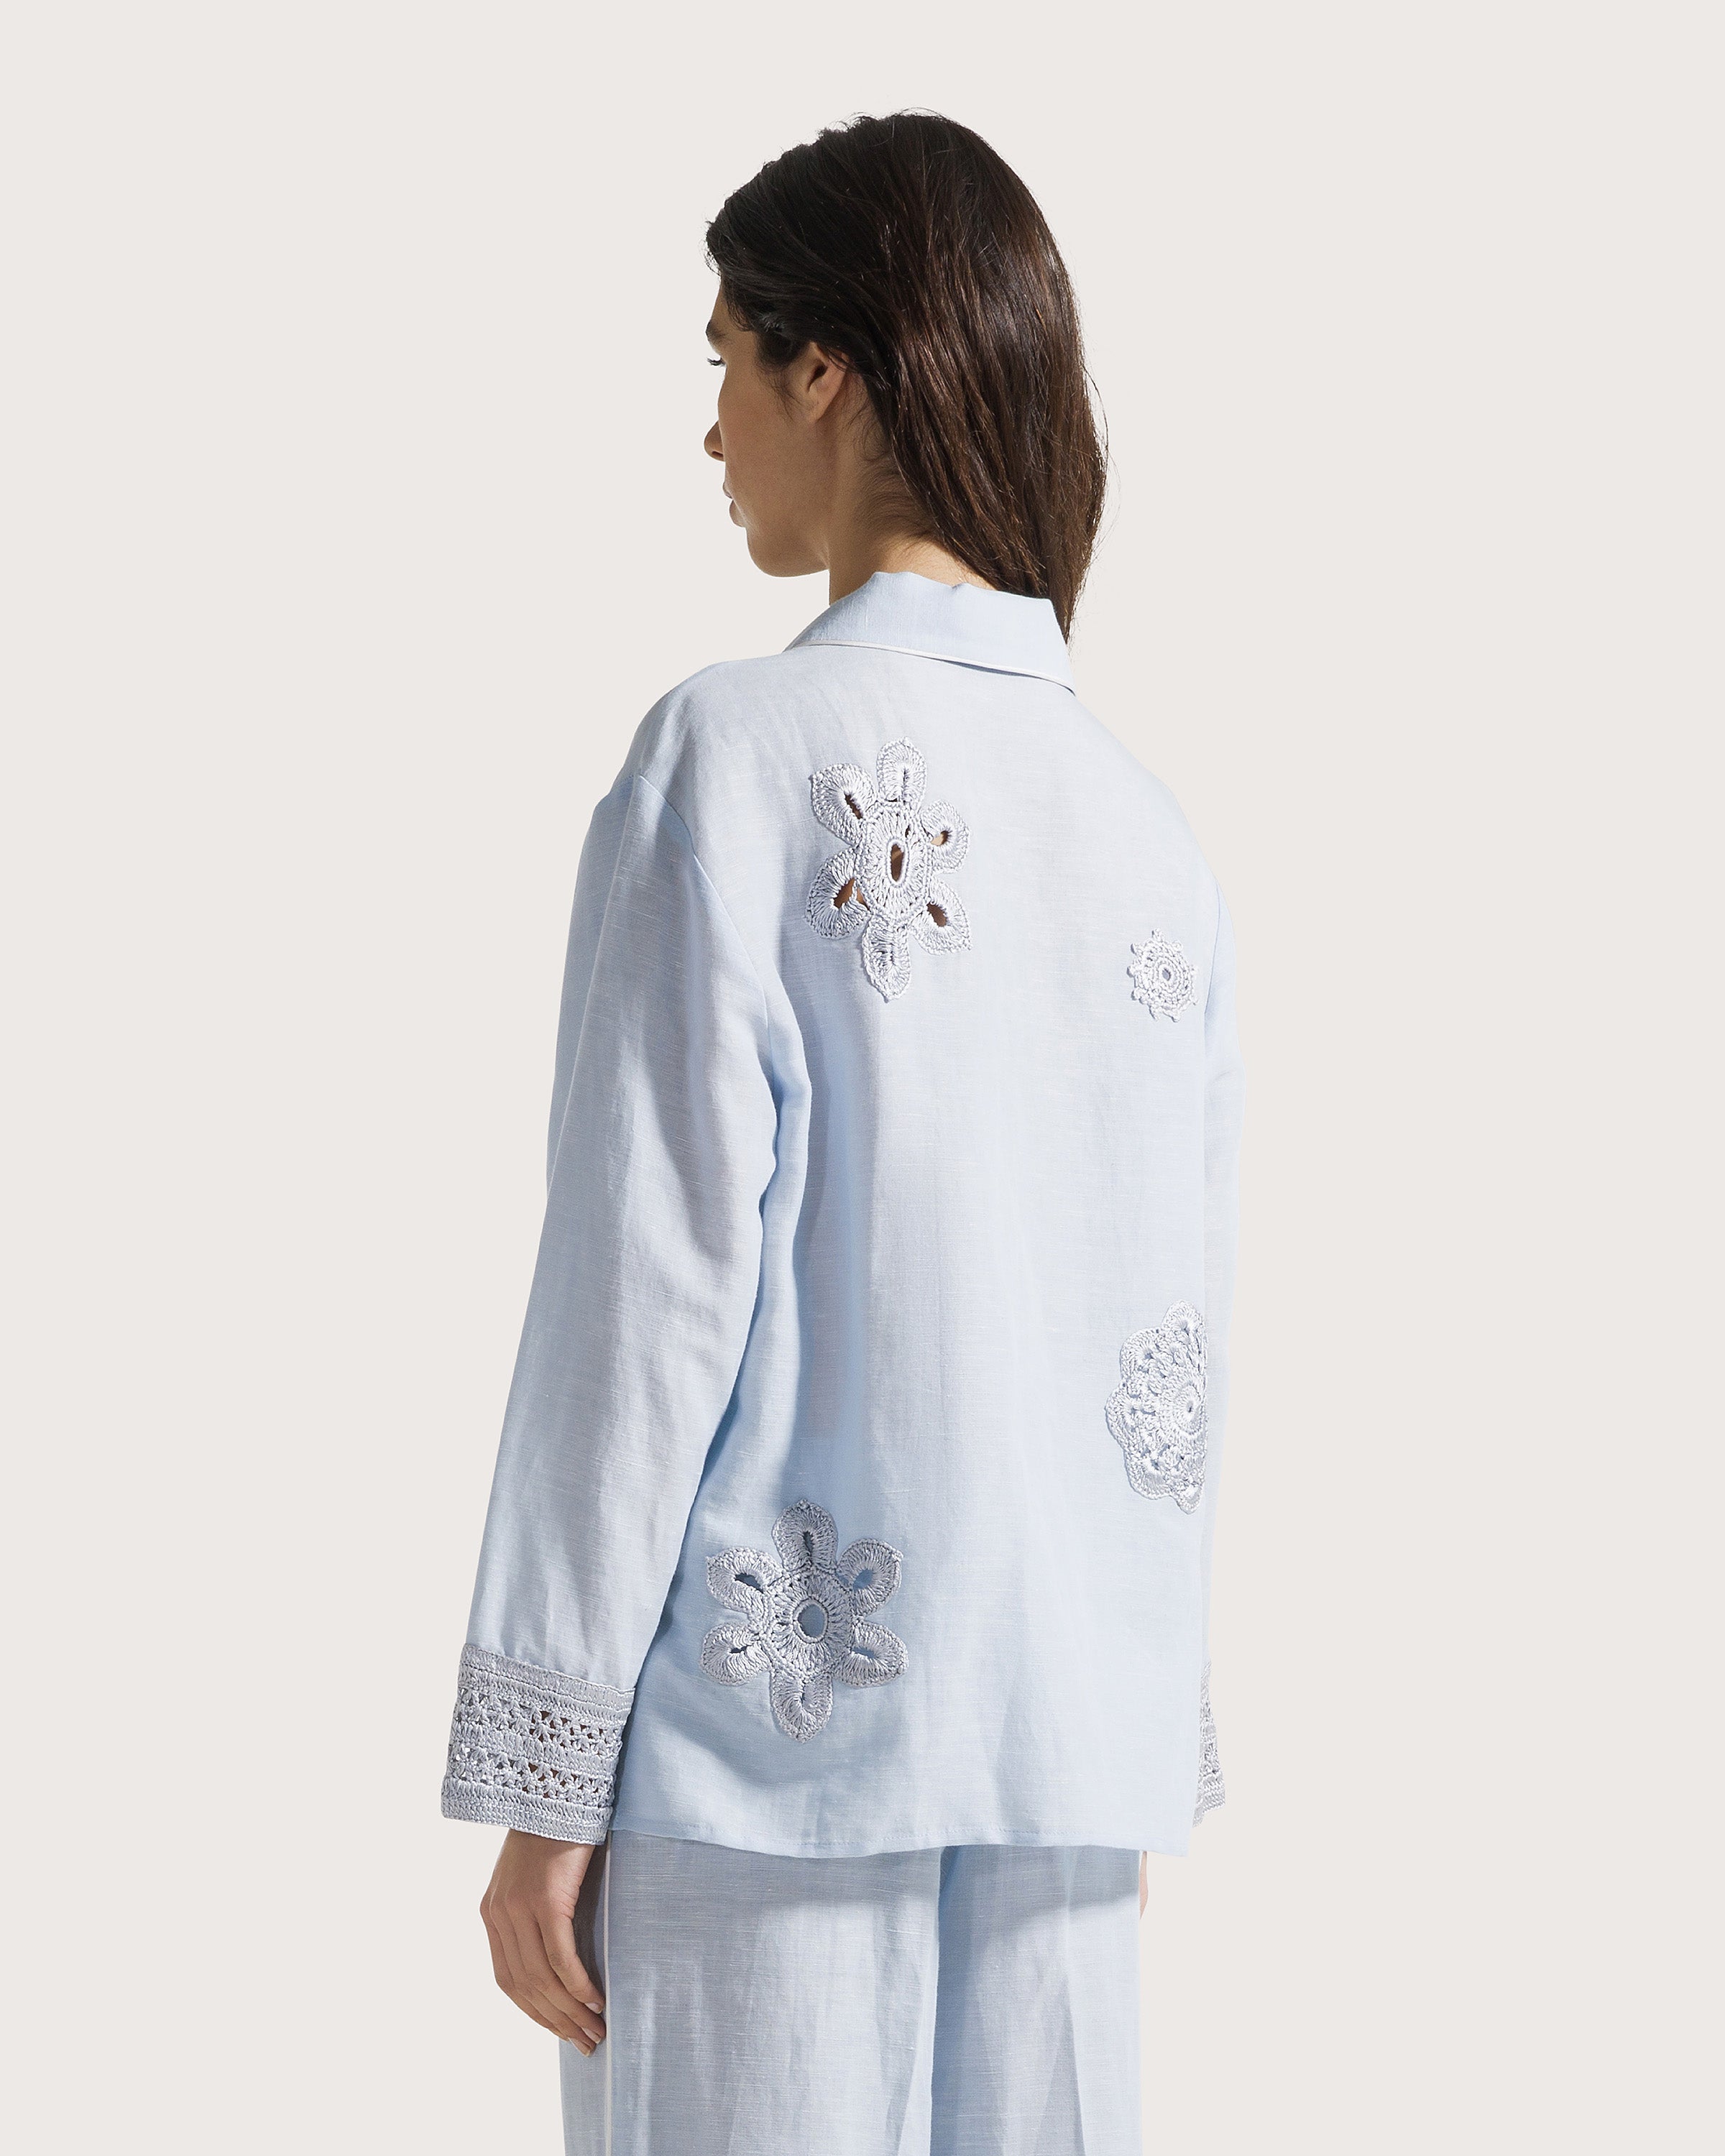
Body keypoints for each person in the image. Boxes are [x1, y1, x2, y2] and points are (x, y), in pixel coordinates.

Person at [441, 110, 1243, 2155]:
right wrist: (1113, 1747)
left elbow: (644, 1297)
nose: (709, 426)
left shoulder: (731, 755)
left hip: (757, 1774)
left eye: (726, 357)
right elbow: (1172, 1339)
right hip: (1061, 1772)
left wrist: (546, 1775)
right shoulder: (1145, 829)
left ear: (829, 369)